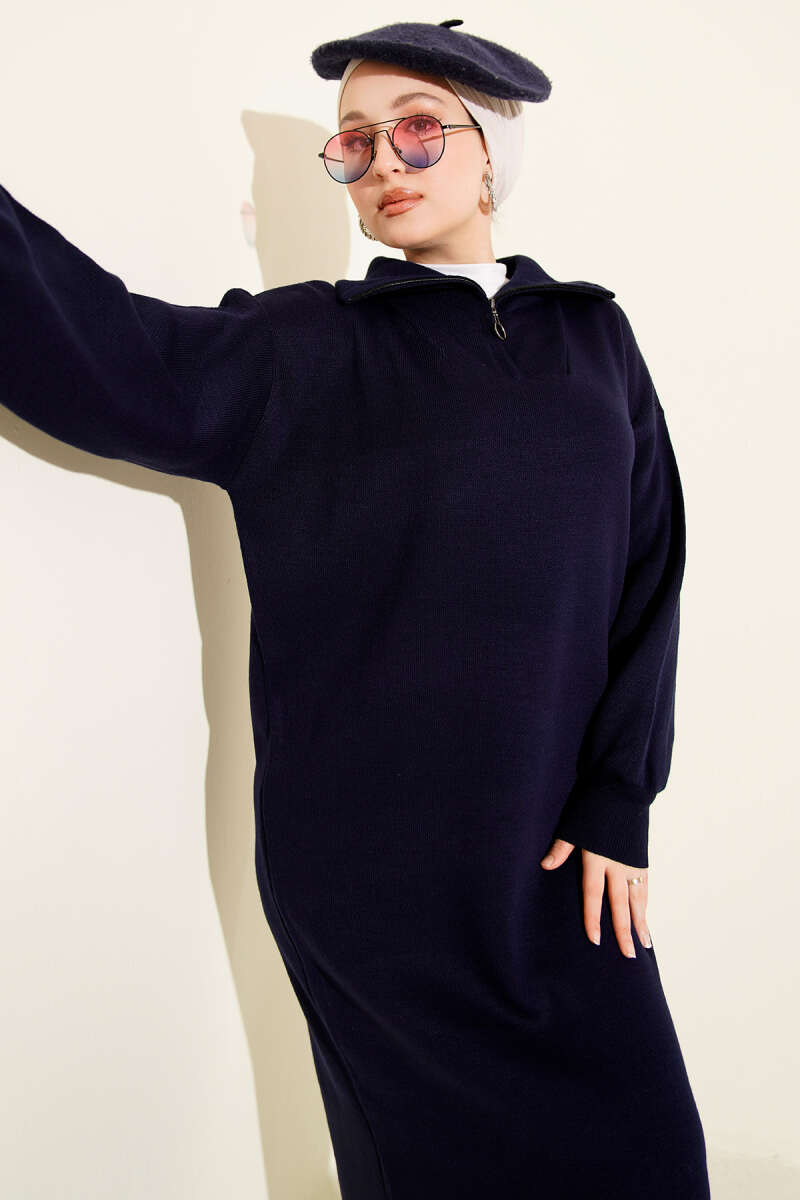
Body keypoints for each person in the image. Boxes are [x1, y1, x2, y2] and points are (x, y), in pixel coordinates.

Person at [0, 17, 711, 1200]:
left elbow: (651, 566)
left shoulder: (593, 335)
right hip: (378, 871)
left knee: (649, 1157)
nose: (383, 161)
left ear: (490, 154)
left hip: (558, 851)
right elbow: (100, 346)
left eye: (418, 130)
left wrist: (618, 796)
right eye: (354, 142)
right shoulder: (302, 346)